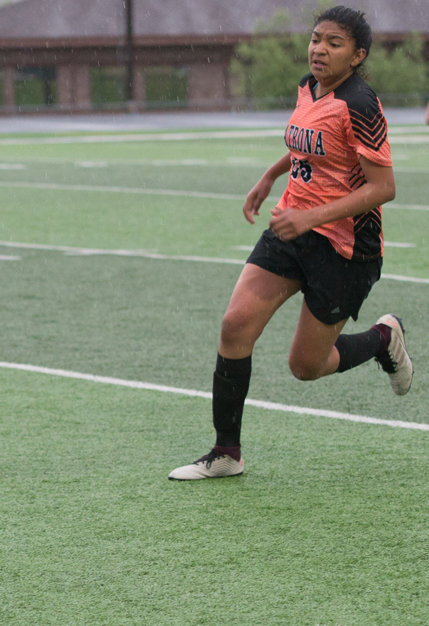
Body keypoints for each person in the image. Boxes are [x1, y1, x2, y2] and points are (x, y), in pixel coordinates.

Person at [169, 6, 413, 481]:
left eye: (334, 43)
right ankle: (226, 453)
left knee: (306, 366)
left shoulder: (362, 104)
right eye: (316, 38)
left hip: (345, 249)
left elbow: (384, 188)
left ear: (358, 55)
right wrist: (269, 177)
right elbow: (308, 142)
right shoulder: (309, 85)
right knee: (235, 326)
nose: (319, 48)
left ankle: (385, 337)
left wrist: (310, 218)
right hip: (291, 230)